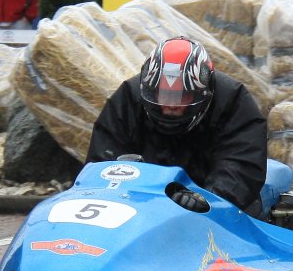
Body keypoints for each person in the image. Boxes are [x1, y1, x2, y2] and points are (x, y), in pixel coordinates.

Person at [87, 36, 270, 214]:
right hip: (140, 205)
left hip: (217, 207)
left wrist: (208, 200)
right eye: (164, 95)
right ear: (149, 89)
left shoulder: (233, 101)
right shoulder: (128, 98)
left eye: (182, 97)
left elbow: (240, 165)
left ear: (203, 92)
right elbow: (102, 162)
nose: (171, 106)